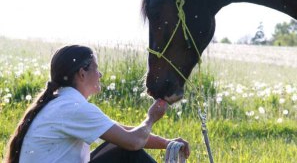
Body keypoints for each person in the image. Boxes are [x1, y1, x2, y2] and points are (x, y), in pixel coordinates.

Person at [5, 45, 190, 163]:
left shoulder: (64, 102)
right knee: (128, 153)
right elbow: (133, 141)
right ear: (82, 74)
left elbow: (123, 133)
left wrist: (167, 143)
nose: (100, 75)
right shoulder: (71, 107)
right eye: (96, 68)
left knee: (121, 147)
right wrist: (151, 118)